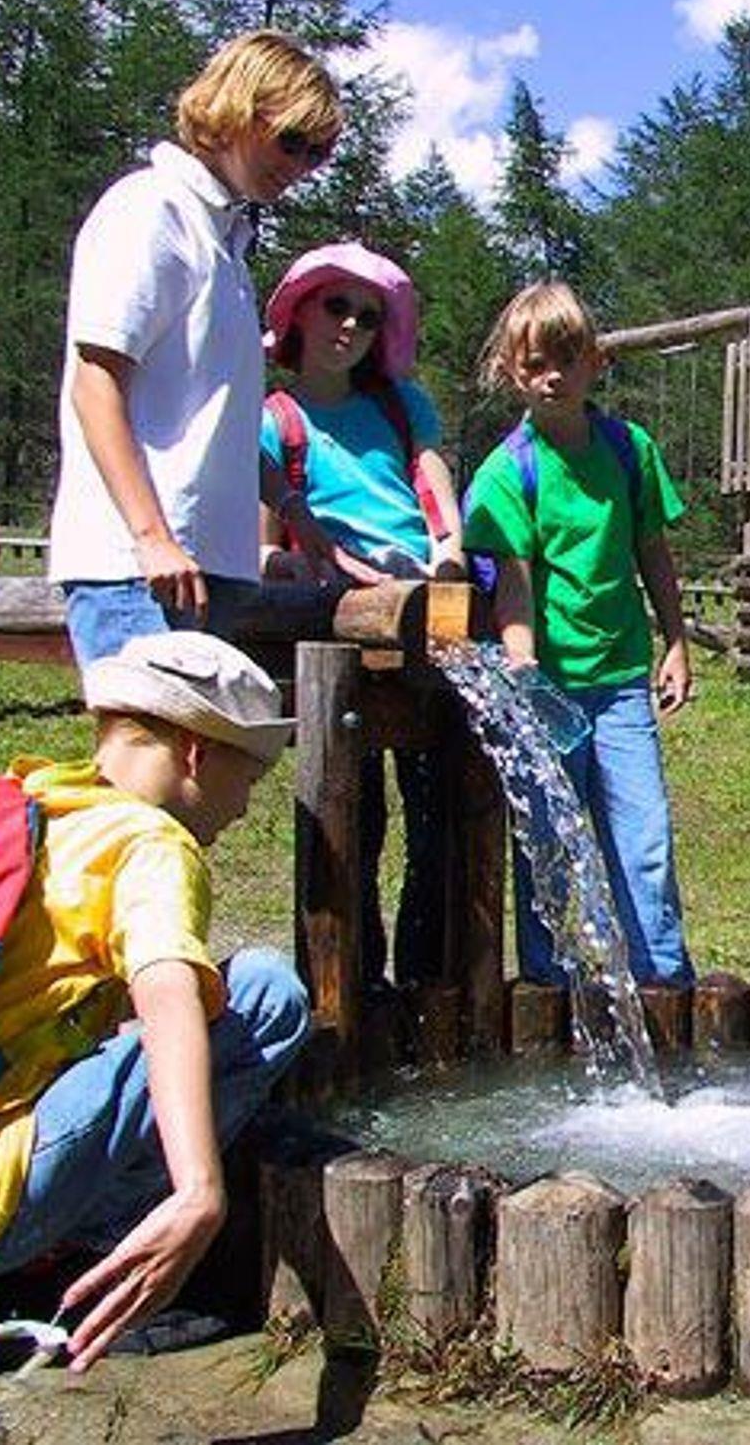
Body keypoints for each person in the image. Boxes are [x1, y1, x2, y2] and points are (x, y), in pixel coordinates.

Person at [0, 631, 311, 1370]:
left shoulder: (40, 801)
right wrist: (199, 1191)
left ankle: (5, 1272)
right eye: (249, 778)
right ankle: (74, 1271)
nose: (246, 808)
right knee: (263, 992)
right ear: (196, 753)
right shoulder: (150, 843)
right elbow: (167, 990)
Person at [48, 30, 344, 667]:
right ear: (238, 110)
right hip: (140, 568)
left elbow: (217, 423)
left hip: (207, 564)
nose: (299, 166)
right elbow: (94, 383)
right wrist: (150, 537)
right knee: (146, 737)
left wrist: (295, 513)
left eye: (316, 153)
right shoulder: (151, 210)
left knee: (198, 739)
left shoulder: (225, 239)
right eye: (290, 140)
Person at [462, 281, 696, 989]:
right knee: (551, 841)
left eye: (566, 360)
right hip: (550, 685)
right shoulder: (508, 473)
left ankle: (661, 979)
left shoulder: (629, 450)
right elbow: (513, 583)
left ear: (596, 362)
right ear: (510, 372)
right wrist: (524, 667)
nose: (552, 377)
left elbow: (651, 549)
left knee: (644, 837)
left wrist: (676, 641)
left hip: (621, 680)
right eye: (534, 364)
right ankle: (551, 985)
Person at [258, 242, 464, 988]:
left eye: (368, 316)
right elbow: (267, 539)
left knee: (442, 799)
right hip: (343, 608)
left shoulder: (400, 405)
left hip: (424, 592)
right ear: (299, 312)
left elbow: (430, 481)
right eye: (336, 306)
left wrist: (450, 549)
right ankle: (352, 979)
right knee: (354, 808)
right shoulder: (276, 420)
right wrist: (280, 563)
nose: (349, 325)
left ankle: (431, 980)